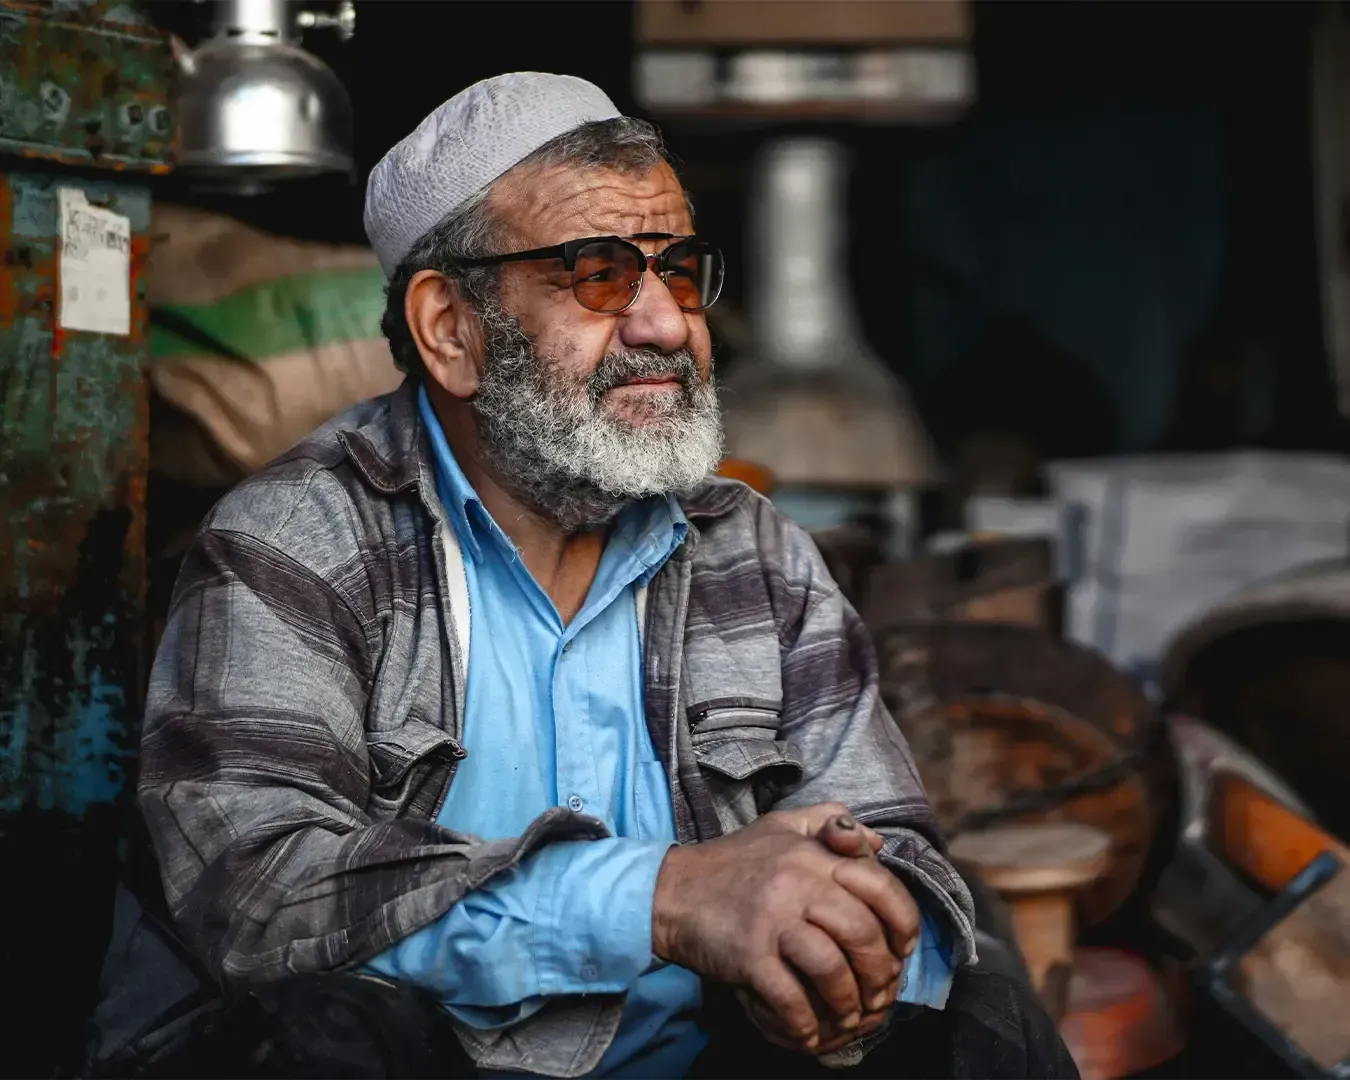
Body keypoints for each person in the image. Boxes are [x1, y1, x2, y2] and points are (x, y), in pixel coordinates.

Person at [137, 72, 1078, 1079]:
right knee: (320, 1036)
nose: (666, 324)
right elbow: (256, 891)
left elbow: (897, 844)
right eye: (596, 274)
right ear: (450, 329)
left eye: (676, 271)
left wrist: (844, 955)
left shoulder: (758, 555)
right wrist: (664, 897)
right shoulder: (297, 543)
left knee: (983, 1008)